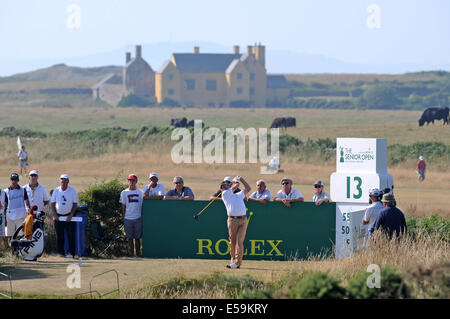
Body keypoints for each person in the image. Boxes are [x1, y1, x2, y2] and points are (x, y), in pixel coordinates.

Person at [220, 176, 251, 269]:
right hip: (232, 220)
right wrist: (235, 181)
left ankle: (237, 263)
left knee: (239, 241)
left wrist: (241, 179)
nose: (225, 187)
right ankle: (233, 258)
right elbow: (236, 185)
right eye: (223, 186)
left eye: (226, 185)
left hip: (243, 220)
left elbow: (248, 188)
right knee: (232, 241)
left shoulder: (239, 195)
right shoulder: (225, 194)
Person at [51, 174, 78, 258]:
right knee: (60, 235)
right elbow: (52, 203)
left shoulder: (72, 190)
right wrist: (55, 214)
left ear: (68, 181)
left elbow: (75, 204)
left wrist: (71, 215)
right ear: (60, 180)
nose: (63, 181)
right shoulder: (56, 190)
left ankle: (71, 253)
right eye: (62, 179)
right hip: (58, 216)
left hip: (69, 216)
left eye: (65, 179)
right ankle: (60, 252)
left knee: (71, 235)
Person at [3, 173, 30, 251]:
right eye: (12, 179)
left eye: (15, 179)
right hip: (10, 216)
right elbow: (5, 204)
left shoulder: (22, 190)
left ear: (18, 180)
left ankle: (20, 251)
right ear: (10, 180)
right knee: (10, 236)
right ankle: (13, 252)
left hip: (21, 215)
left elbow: (26, 201)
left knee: (20, 236)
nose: (13, 181)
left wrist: (28, 208)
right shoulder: (6, 191)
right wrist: (4, 216)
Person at [120, 174, 144, 257]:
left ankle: (138, 253)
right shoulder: (124, 192)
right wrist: (123, 217)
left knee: (137, 238)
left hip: (138, 217)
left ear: (136, 181)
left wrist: (142, 216)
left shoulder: (140, 192)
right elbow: (123, 205)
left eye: (133, 180)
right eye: (130, 180)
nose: (131, 182)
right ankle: (131, 254)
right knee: (129, 237)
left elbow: (142, 205)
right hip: (128, 218)